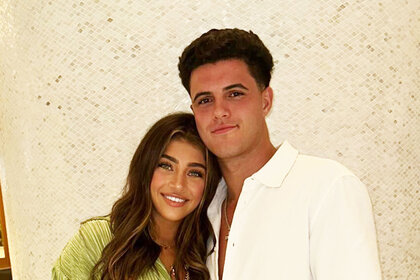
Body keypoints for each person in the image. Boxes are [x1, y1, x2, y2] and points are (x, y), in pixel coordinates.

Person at [178, 28, 382, 279]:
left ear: (265, 101)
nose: (220, 111)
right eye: (205, 100)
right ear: (194, 111)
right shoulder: (202, 205)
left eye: (235, 94)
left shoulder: (328, 189)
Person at [52, 113, 221, 280]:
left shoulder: (209, 253)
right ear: (145, 168)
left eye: (194, 173)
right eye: (166, 166)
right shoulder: (97, 241)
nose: (178, 185)